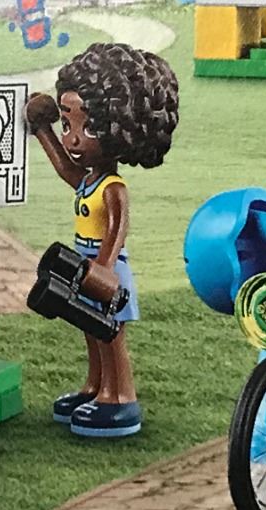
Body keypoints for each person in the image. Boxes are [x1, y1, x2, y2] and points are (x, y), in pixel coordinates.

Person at [25, 42, 178, 439]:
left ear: (119, 130)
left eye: (88, 128)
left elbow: (117, 228)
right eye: (68, 126)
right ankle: (95, 387)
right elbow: (65, 168)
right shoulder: (89, 180)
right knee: (90, 328)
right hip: (84, 263)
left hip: (105, 267)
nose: (74, 140)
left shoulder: (112, 188)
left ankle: (120, 396)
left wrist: (104, 269)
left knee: (110, 333)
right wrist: (42, 129)